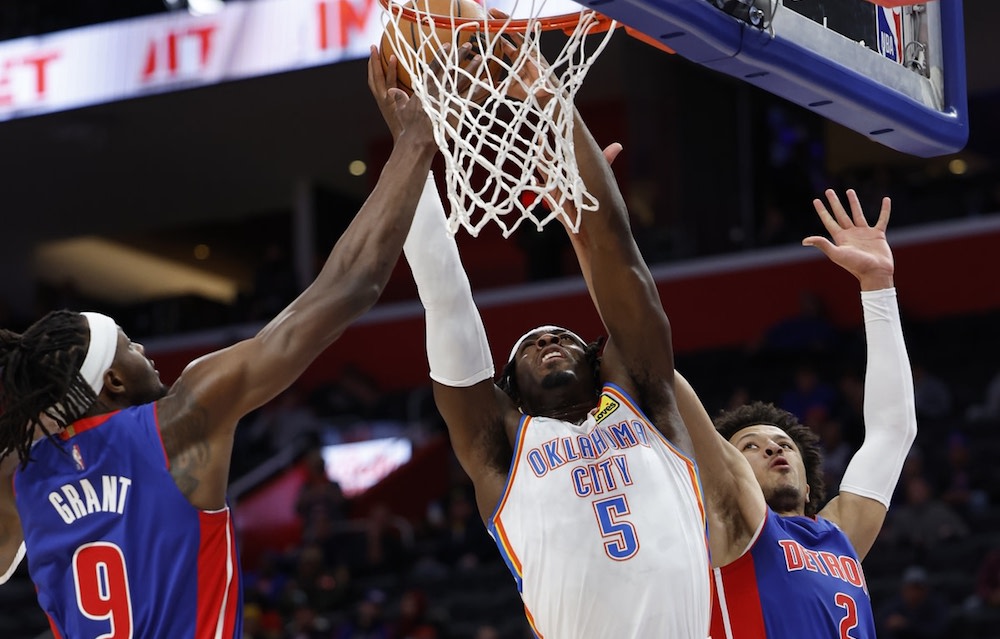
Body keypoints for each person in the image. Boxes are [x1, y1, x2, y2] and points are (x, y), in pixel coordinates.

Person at [0, 45, 443, 638]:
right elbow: (349, 287)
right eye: (129, 344)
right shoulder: (180, 421)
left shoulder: (19, 479)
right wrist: (414, 142)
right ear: (111, 379)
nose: (145, 352)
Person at [381, 40, 710, 637]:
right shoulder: (502, 450)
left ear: (598, 362)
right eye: (530, 346)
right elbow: (446, 301)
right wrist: (411, 150)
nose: (547, 341)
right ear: (510, 389)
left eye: (563, 337)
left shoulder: (649, 404)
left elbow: (619, 255)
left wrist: (554, 101)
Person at [674, 189, 918, 638]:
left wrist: (878, 286)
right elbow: (666, 382)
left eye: (783, 444)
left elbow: (892, 431)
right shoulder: (723, 533)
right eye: (750, 446)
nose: (773, 448)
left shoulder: (839, 535)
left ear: (808, 485)